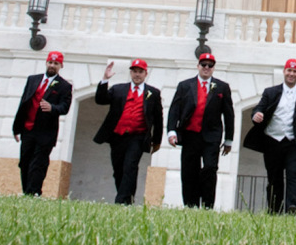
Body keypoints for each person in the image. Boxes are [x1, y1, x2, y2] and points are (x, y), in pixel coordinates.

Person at [242, 59, 296, 214]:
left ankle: (293, 208)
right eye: (289, 71)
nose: (291, 74)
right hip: (273, 141)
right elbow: (259, 108)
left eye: (295, 71)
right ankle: (274, 209)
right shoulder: (270, 92)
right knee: (274, 178)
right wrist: (256, 115)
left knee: (294, 175)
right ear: (284, 72)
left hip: (294, 143)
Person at [166, 53, 235, 208]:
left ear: (213, 68)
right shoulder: (185, 85)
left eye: (210, 65)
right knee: (189, 171)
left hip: (211, 136)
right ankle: (190, 205)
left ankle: (207, 205)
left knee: (210, 168)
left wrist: (229, 139)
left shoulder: (222, 87)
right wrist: (171, 131)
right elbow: (174, 110)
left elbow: (229, 114)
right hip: (190, 135)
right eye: (203, 64)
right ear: (198, 66)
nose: (206, 68)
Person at [93, 59, 163, 205]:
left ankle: (121, 201)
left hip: (137, 137)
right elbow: (100, 100)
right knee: (118, 169)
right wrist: (105, 79)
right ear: (131, 73)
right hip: (117, 136)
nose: (137, 75)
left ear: (145, 73)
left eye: (140, 72)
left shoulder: (153, 93)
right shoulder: (118, 89)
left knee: (130, 167)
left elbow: (158, 118)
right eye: (135, 71)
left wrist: (157, 141)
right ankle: (127, 199)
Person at [12, 51, 73, 196]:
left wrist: (52, 108)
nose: (52, 66)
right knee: (24, 162)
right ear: (46, 63)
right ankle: (26, 192)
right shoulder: (33, 80)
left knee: (38, 164)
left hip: (46, 132)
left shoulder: (64, 86)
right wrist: (16, 128)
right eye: (50, 62)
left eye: (56, 63)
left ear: (61, 66)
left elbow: (64, 107)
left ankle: (34, 192)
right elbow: (23, 103)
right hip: (28, 129)